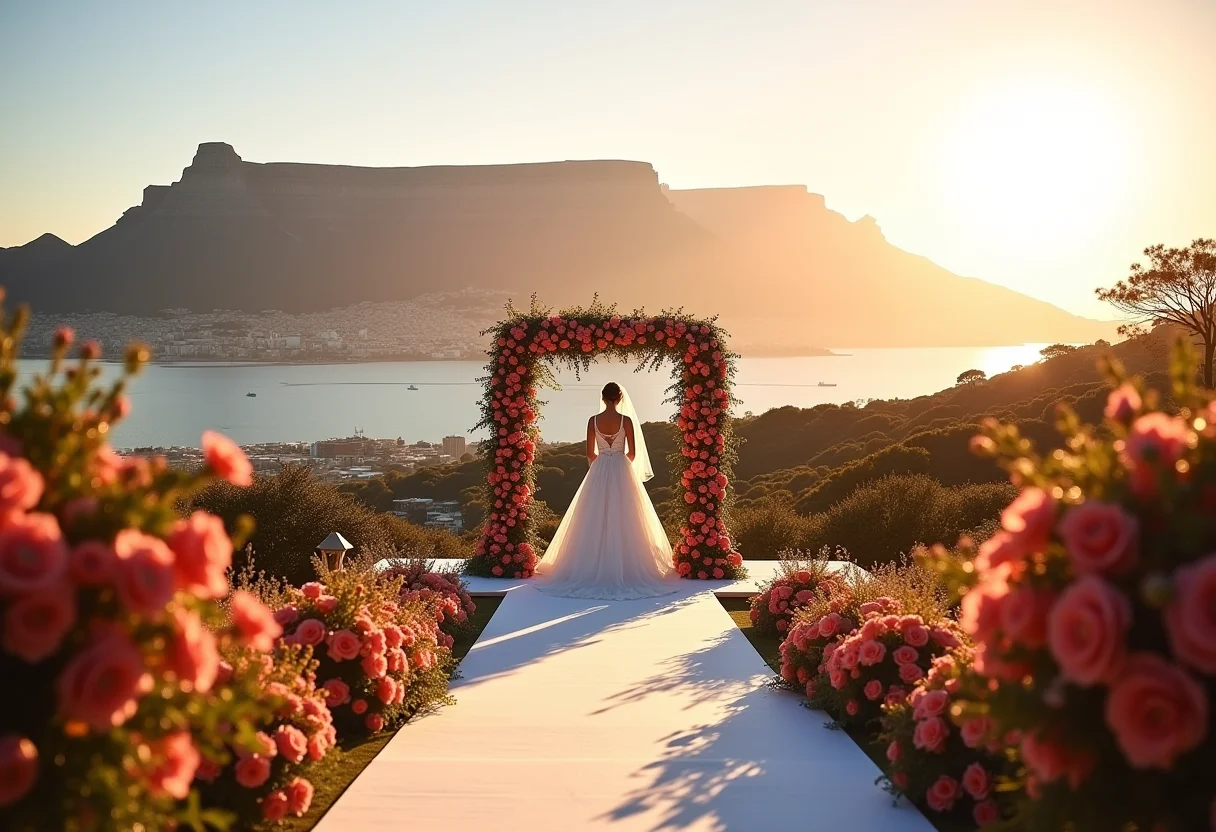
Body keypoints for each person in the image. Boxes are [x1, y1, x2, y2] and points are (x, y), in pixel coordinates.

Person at [534, 382, 680, 599]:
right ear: (620, 398)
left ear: (603, 398)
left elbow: (589, 453)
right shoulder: (626, 421)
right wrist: (621, 466)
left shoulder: (593, 421)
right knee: (628, 516)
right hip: (622, 467)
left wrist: (602, 467)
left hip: (599, 468)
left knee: (592, 516)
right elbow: (632, 452)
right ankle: (628, 566)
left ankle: (590, 565)